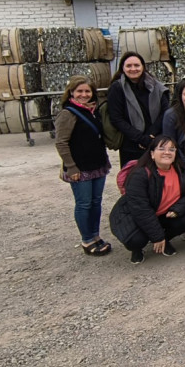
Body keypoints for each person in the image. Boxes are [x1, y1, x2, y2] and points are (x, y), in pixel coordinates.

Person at [109, 135, 185, 264]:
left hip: (162, 213)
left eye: (171, 149)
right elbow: (140, 209)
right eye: (162, 149)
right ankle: (138, 249)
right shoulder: (140, 174)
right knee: (135, 240)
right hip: (133, 216)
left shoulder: (182, 172)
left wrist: (178, 208)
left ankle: (164, 240)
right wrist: (156, 236)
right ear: (152, 154)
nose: (167, 152)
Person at [54, 75, 112, 257]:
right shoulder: (68, 114)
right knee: (84, 204)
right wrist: (71, 167)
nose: (84, 94)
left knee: (96, 202)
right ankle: (86, 239)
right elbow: (61, 142)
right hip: (80, 169)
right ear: (71, 92)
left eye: (87, 91)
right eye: (79, 91)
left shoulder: (93, 111)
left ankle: (95, 235)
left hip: (97, 165)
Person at [107, 51, 169, 166]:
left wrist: (150, 135)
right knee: (134, 179)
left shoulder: (156, 86)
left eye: (136, 65)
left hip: (154, 141)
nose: (133, 69)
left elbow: (165, 111)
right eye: (129, 66)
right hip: (130, 144)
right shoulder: (117, 88)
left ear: (143, 67)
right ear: (122, 68)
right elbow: (116, 118)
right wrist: (140, 138)